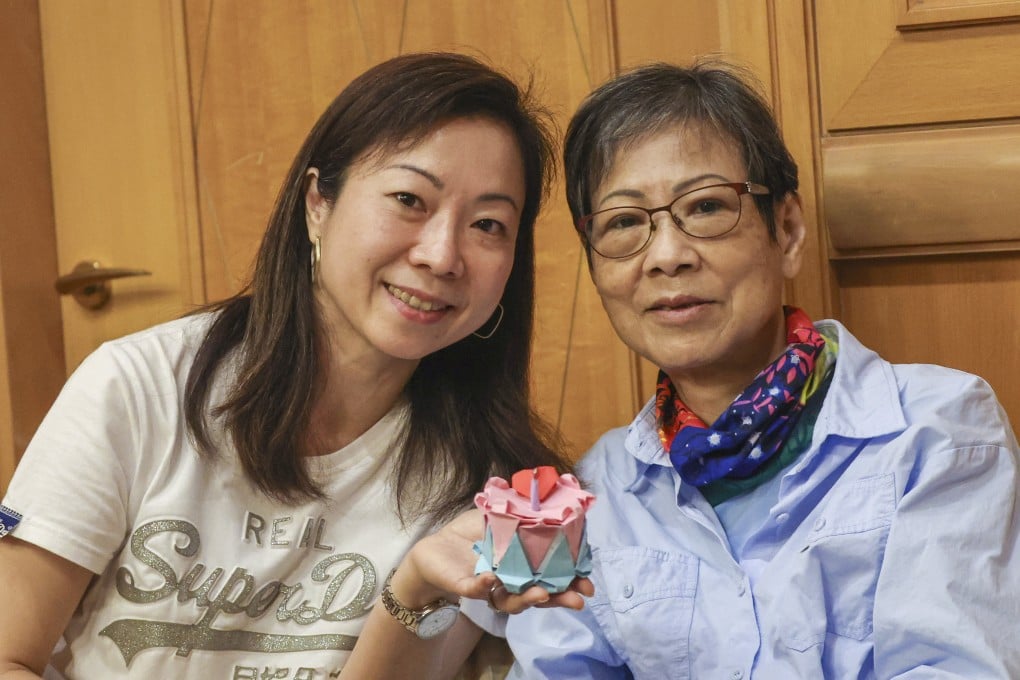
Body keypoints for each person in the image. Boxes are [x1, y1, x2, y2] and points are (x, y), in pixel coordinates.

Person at [0, 52, 588, 680]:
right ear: (317, 204)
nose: (442, 255)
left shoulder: (489, 483)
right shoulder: (140, 388)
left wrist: (415, 590)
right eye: (408, 199)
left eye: (488, 225)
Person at [505, 59, 1020, 678]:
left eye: (705, 207)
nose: (666, 255)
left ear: (788, 230)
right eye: (623, 222)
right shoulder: (592, 491)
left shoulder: (936, 430)